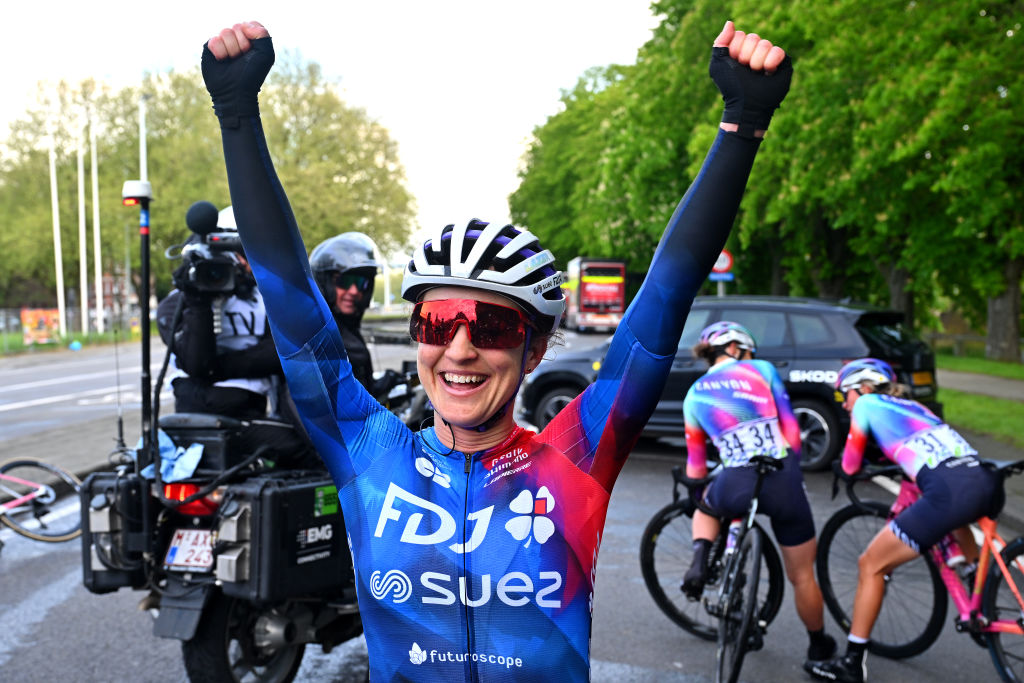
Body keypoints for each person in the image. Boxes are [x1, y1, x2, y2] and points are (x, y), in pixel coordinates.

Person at [202, 18, 792, 681]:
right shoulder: (369, 453)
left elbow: (666, 293)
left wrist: (741, 128)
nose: (459, 348)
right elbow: (291, 298)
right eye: (437, 321)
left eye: (490, 327)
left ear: (535, 349)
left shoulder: (577, 456)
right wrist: (236, 117)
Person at [808, 358, 1002, 683]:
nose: (844, 405)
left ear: (864, 388)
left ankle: (852, 663)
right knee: (954, 507)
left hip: (950, 492)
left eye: (845, 396)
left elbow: (853, 462)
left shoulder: (867, 404)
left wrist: (844, 468)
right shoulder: (915, 407)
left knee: (871, 564)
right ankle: (973, 582)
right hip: (984, 478)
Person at [680, 321, 835, 668]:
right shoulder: (761, 370)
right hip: (782, 478)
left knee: (706, 505)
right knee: (802, 576)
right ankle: (818, 647)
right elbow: (792, 429)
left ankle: (699, 562)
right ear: (737, 349)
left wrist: (695, 491)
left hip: (734, 480)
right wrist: (793, 468)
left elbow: (696, 466)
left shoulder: (695, 393)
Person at [157, 205, 282, 420]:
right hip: (192, 412)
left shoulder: (270, 300)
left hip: (249, 412)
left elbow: (278, 353)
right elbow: (195, 363)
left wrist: (217, 368)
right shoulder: (176, 303)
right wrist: (198, 301)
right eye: (242, 253)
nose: (248, 264)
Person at [310, 232, 380, 390]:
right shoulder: (311, 335)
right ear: (324, 284)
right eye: (345, 281)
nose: (354, 291)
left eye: (361, 283)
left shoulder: (350, 329)